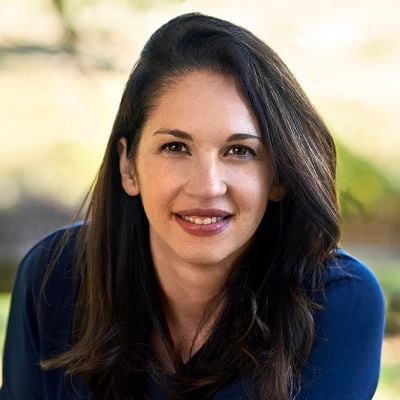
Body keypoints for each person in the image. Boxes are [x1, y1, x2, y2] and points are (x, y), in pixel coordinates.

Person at [0, 13, 385, 400]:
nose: (207, 186)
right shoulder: (54, 276)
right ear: (128, 166)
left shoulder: (336, 303)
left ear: (279, 176)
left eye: (239, 151)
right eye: (175, 147)